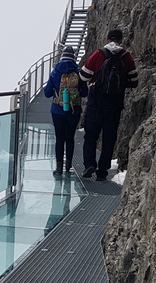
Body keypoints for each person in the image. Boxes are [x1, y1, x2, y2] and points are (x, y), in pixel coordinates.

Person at [79, 29, 138, 181]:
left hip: (96, 102)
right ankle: (102, 172)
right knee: (109, 138)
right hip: (115, 104)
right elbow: (134, 82)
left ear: (107, 40)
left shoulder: (98, 54)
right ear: (121, 40)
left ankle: (89, 164)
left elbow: (84, 76)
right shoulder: (127, 57)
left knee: (91, 135)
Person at [43, 46, 89, 176]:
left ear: (62, 56)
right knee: (70, 138)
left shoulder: (55, 73)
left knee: (59, 138)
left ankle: (59, 168)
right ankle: (68, 166)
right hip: (74, 111)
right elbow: (85, 93)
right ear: (73, 57)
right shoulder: (78, 73)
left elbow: (47, 94)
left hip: (57, 111)